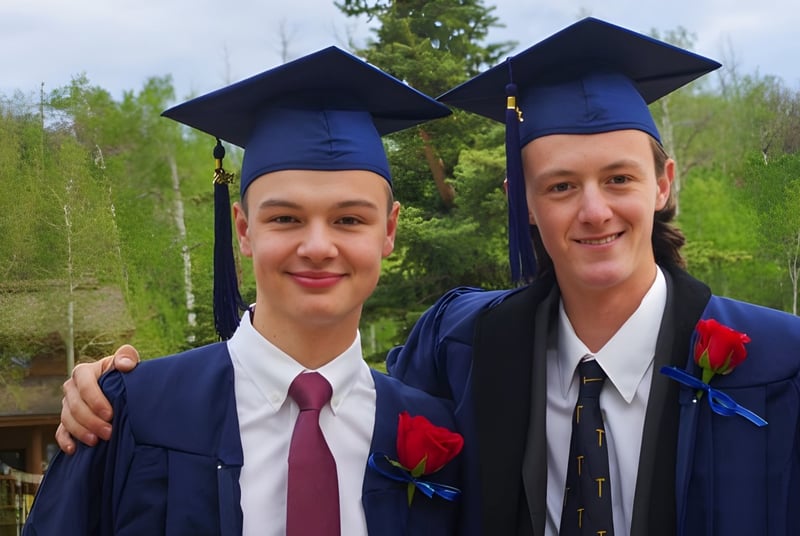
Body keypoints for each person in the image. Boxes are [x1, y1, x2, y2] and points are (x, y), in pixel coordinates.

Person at [57, 18, 800, 536]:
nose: (594, 210)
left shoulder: (782, 364)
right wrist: (102, 388)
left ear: (665, 182)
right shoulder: (464, 350)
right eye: (560, 185)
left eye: (619, 178)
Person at [25, 46, 466, 536]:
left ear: (388, 231)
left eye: (348, 219)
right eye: (285, 219)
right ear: (243, 231)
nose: (318, 246)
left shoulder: (437, 430)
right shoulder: (130, 412)